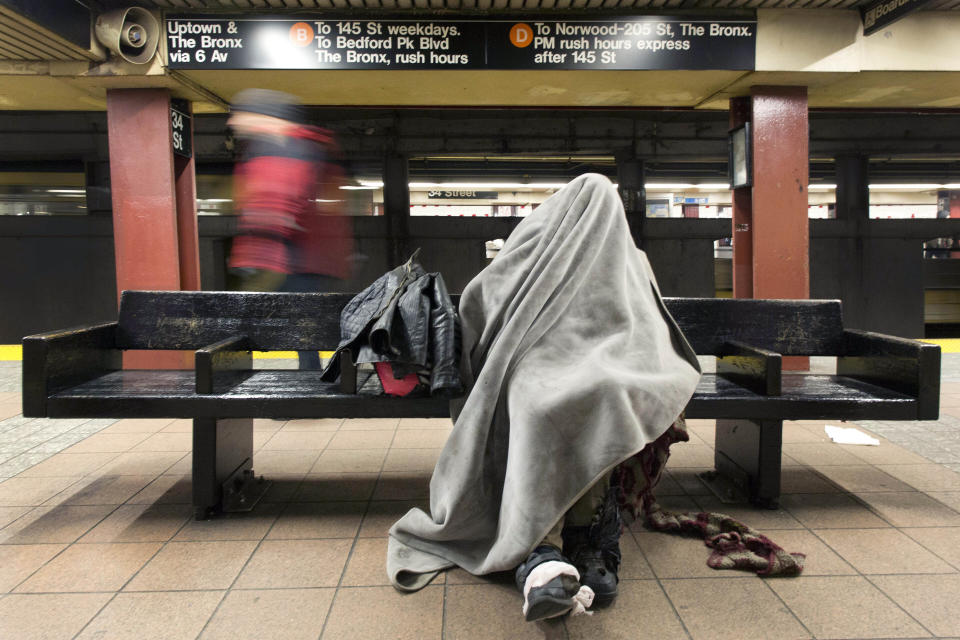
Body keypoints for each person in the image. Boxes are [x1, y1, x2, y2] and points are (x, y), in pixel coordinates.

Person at [386, 174, 703, 621]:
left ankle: (579, 538)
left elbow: (648, 329)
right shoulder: (535, 248)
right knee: (538, 402)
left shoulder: (627, 259)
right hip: (532, 362)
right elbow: (480, 299)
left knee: (603, 398)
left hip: (605, 363)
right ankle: (546, 545)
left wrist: (628, 367)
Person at [227, 89, 353, 369]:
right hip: (305, 256)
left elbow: (276, 201)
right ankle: (313, 377)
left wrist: (255, 253)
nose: (233, 122)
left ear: (264, 116)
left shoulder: (283, 147)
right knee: (302, 322)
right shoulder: (295, 145)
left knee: (296, 322)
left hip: (292, 256)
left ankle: (310, 382)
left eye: (240, 114)